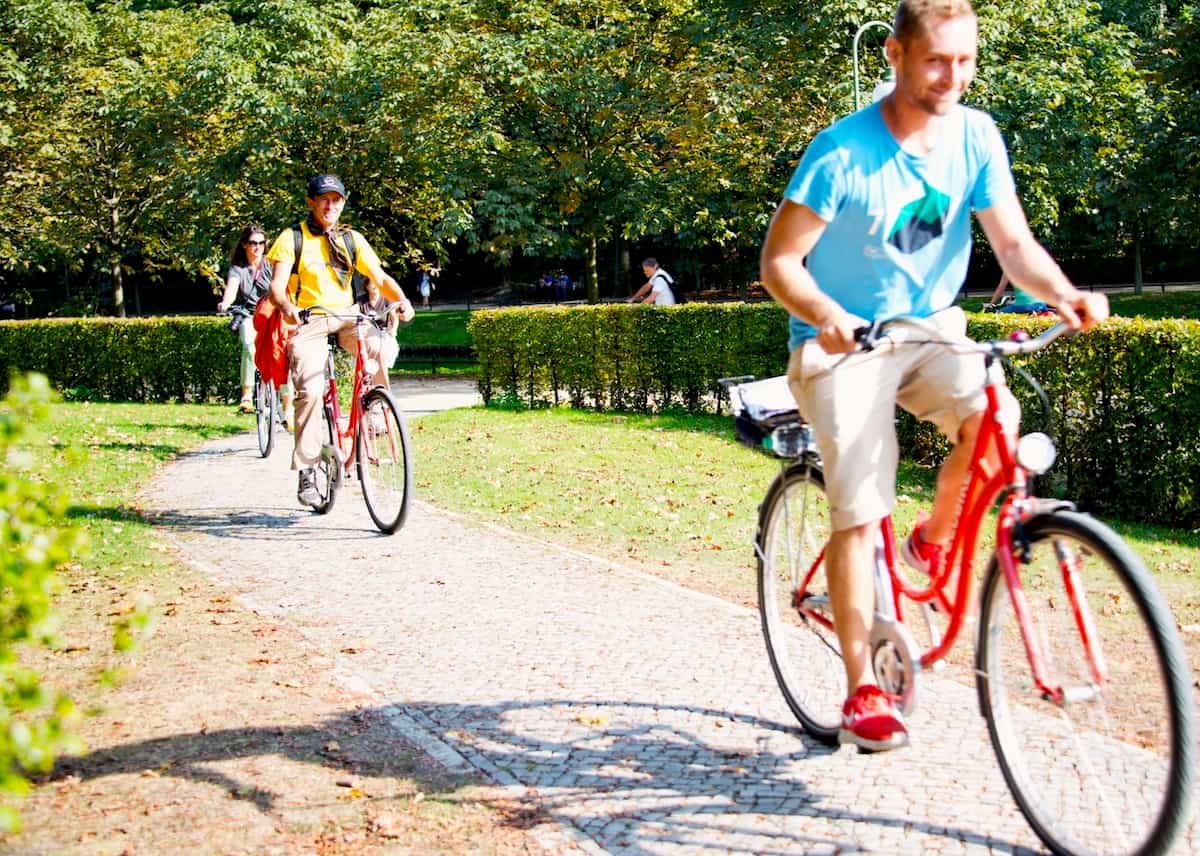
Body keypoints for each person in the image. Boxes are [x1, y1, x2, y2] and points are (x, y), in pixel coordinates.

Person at [758, 0, 1108, 752]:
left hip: (930, 329)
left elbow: (1013, 245)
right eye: (937, 60)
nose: (954, 76)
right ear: (895, 55)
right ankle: (860, 691)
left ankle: (929, 544)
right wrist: (824, 312)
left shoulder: (976, 136)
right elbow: (779, 262)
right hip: (844, 343)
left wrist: (1065, 293)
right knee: (858, 498)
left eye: (967, 60)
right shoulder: (842, 153)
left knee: (999, 422)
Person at [267, 173, 415, 508]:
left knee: (377, 346)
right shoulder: (292, 238)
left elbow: (379, 278)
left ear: (343, 203)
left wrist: (401, 301)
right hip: (308, 318)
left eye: (336, 199)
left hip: (347, 315)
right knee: (309, 387)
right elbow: (277, 287)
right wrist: (288, 308)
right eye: (323, 199)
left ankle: (375, 408)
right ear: (311, 202)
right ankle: (307, 468)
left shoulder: (352, 240)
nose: (330, 205)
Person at [217, 225, 294, 424]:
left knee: (282, 355)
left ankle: (287, 408)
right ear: (244, 245)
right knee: (249, 347)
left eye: (261, 243)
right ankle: (247, 395)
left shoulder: (271, 264)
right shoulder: (238, 269)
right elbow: (232, 288)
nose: (258, 247)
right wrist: (226, 302)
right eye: (253, 243)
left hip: (272, 315)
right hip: (249, 315)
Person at [985, 272, 1051, 313]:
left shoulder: (1009, 268)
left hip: (1023, 306)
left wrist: (991, 304)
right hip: (1040, 305)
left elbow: (1000, 289)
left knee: (999, 312)